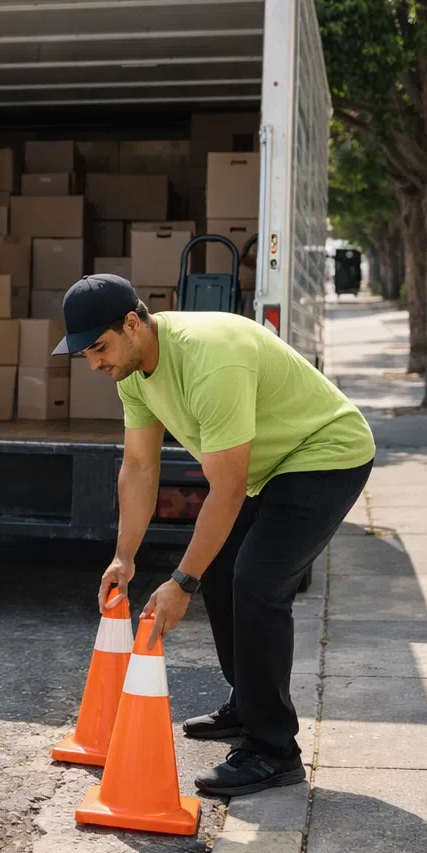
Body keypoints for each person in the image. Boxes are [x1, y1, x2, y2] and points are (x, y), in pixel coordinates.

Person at [53, 275, 375, 797]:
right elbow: (138, 466)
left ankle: (273, 750)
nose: (94, 364)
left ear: (132, 324)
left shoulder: (209, 359)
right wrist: (124, 557)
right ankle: (246, 704)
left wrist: (181, 582)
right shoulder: (134, 373)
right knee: (223, 568)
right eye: (86, 354)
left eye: (99, 348)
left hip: (325, 454)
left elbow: (224, 491)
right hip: (269, 466)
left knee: (257, 581)